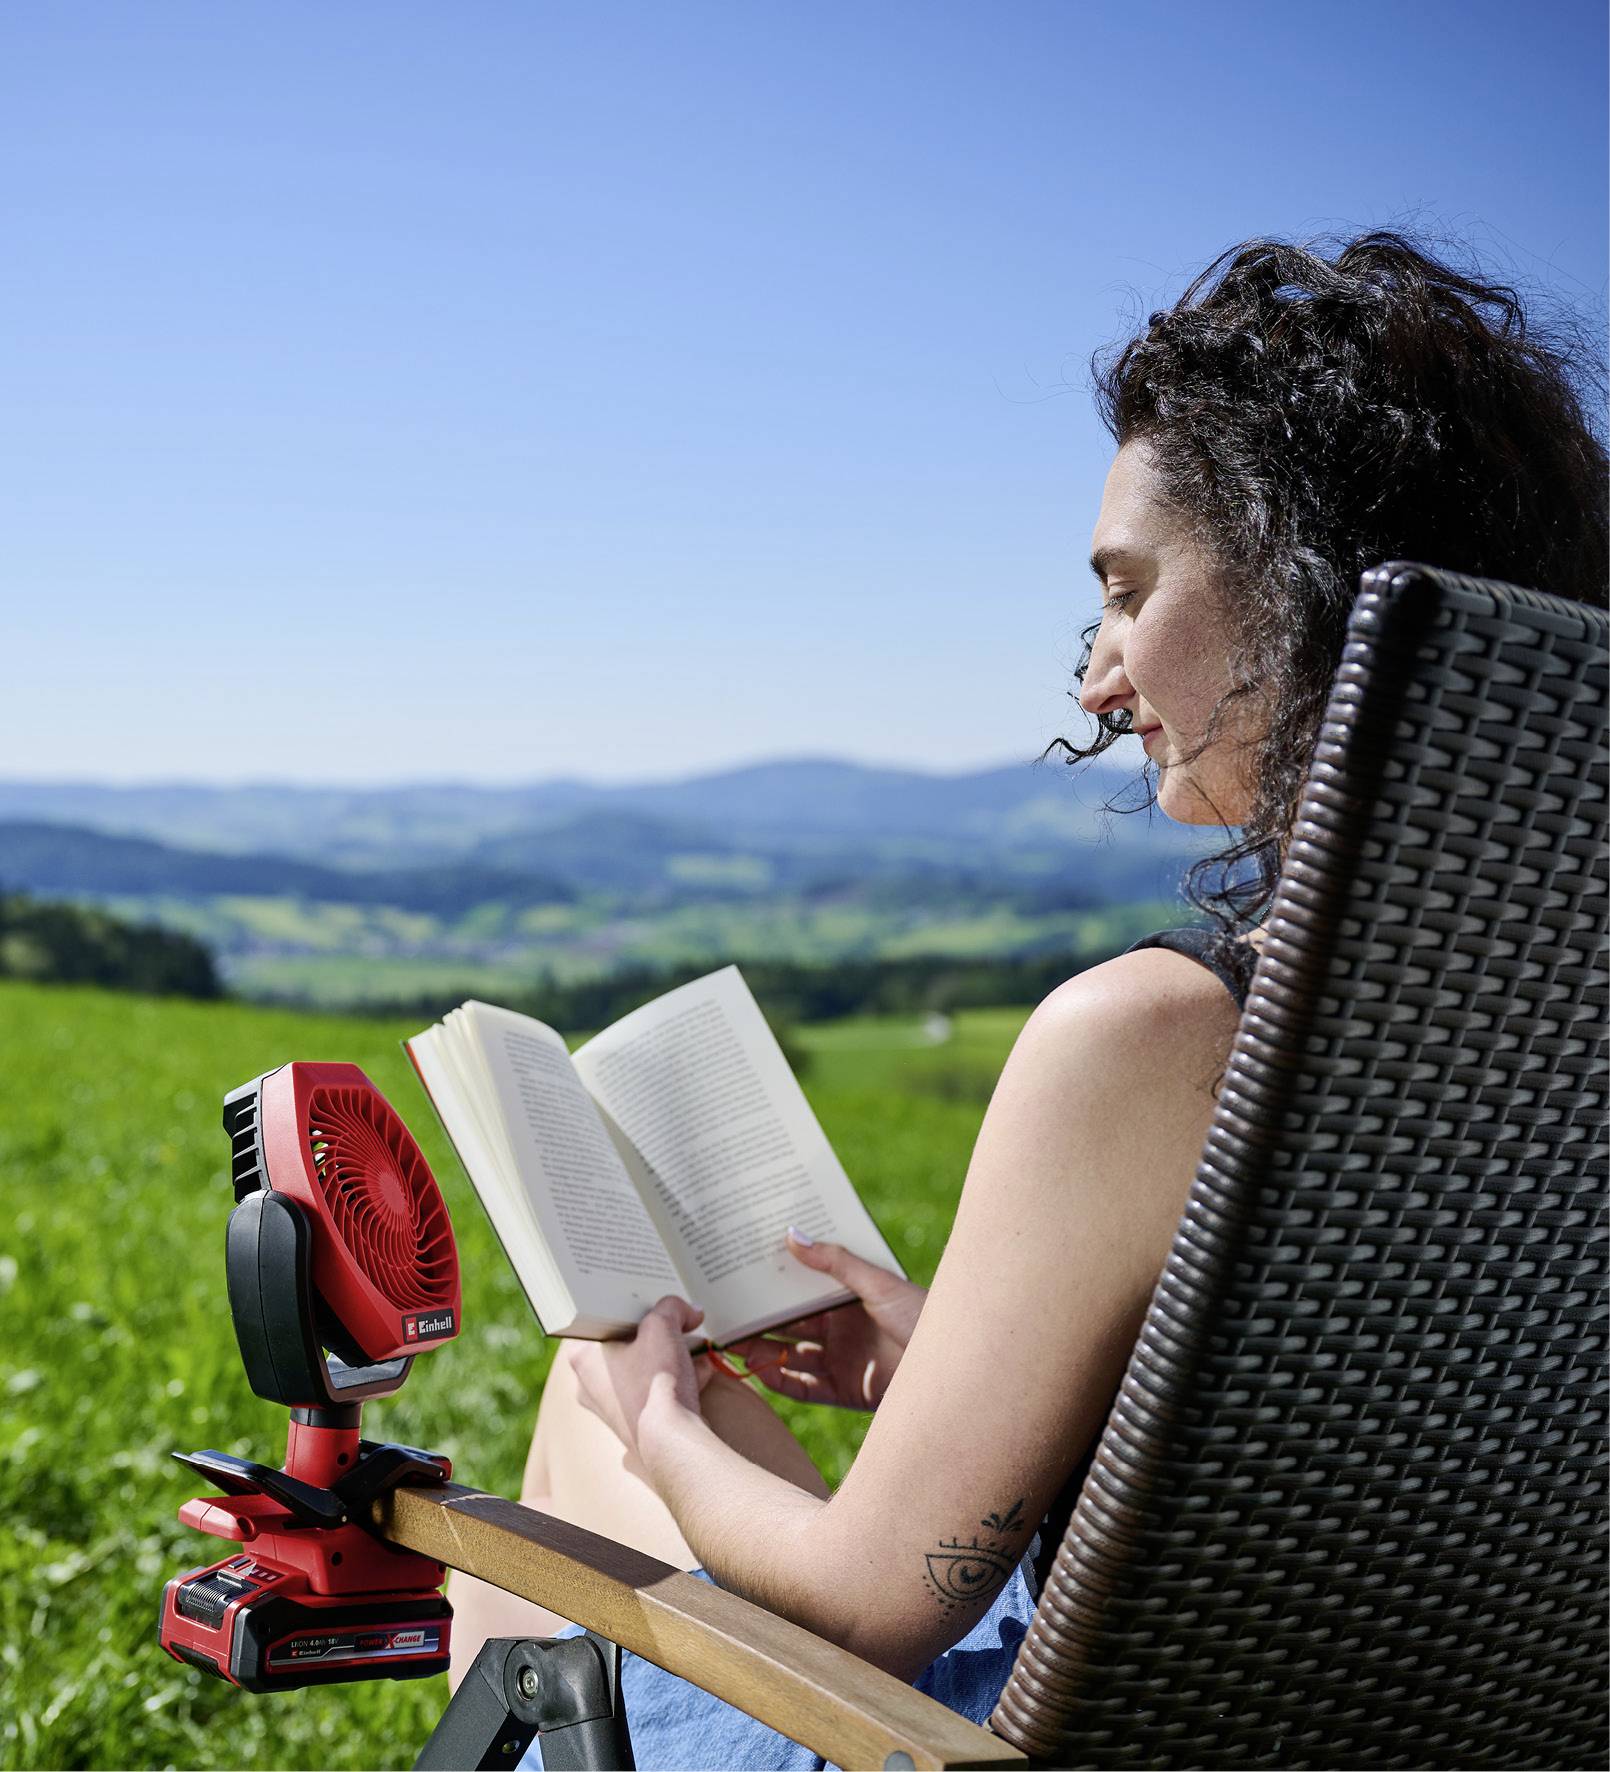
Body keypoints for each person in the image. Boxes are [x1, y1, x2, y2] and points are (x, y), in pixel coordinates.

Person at [447, 230, 1608, 1768]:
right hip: (1391, 1725)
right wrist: (952, 1362)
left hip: (997, 1741)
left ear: (1297, 590)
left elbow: (870, 1615)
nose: (1095, 679)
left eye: (1125, 593)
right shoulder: (1538, 1027)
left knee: (591, 1397)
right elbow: (1358, 1475)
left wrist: (645, 1414)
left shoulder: (1147, 1039)